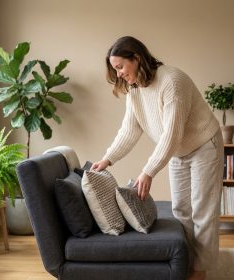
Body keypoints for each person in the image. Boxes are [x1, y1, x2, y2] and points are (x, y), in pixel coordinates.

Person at [91, 36, 224, 280]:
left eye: (120, 67)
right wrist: (107, 159)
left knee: (202, 210)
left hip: (204, 144)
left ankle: (200, 271)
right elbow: (130, 130)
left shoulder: (172, 81)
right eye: (115, 69)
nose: (118, 73)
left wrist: (148, 171)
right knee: (181, 209)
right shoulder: (135, 91)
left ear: (137, 58)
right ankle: (186, 262)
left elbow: (172, 134)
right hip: (177, 151)